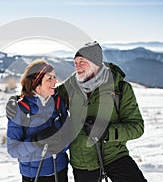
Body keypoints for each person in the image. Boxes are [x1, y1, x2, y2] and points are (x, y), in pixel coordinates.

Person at [57, 41, 147, 182]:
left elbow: (137, 127)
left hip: (115, 156)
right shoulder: (70, 86)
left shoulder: (120, 88)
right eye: (75, 62)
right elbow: (46, 98)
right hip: (83, 161)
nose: (77, 66)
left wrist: (106, 131)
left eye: (82, 61)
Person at [6, 59, 69, 182]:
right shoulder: (20, 109)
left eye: (54, 77)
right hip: (34, 175)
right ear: (36, 83)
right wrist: (35, 141)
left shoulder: (58, 103)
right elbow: (13, 150)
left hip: (60, 171)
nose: (55, 82)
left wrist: (61, 144)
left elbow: (69, 134)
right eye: (49, 79)